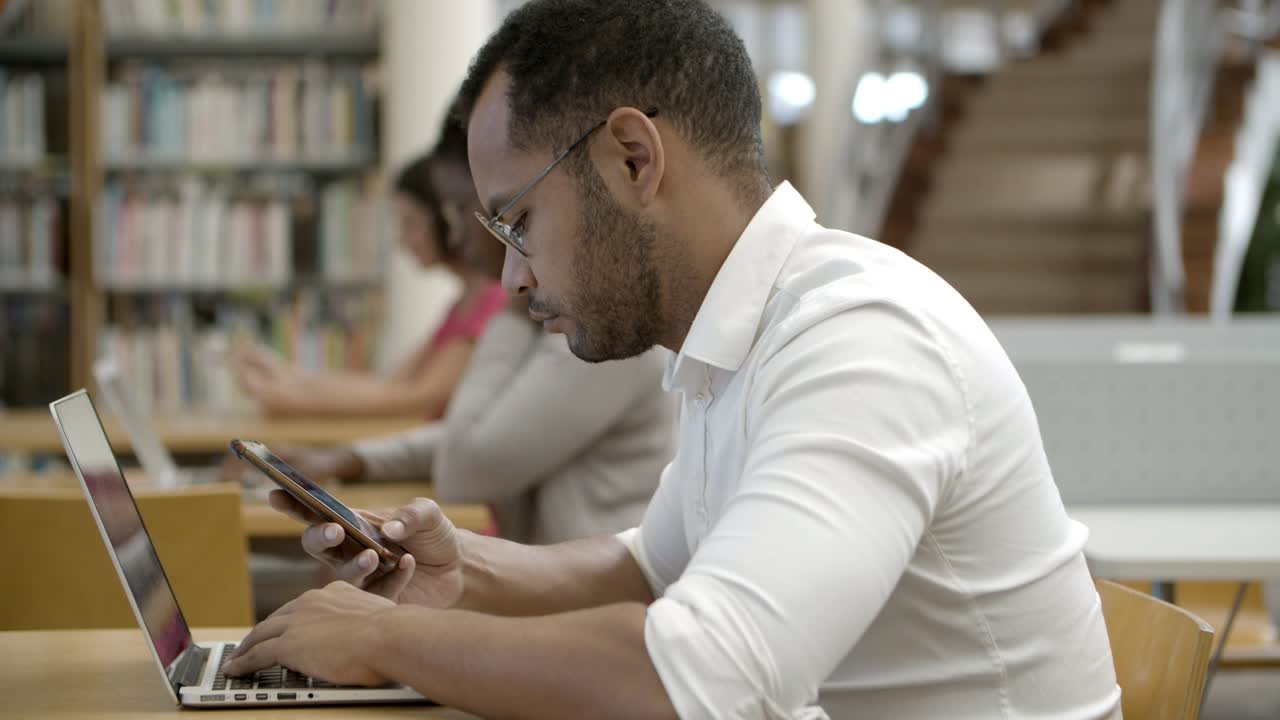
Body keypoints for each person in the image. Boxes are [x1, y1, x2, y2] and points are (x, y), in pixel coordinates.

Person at [224, 2, 1121, 718]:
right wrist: (460, 574)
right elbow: (647, 570)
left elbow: (704, 678)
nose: (511, 273)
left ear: (632, 158)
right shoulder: (735, 333)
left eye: (518, 220)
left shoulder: (862, 337)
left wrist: (383, 639)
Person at [234, 119, 508, 419]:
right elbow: (392, 383)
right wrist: (287, 379)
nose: (402, 241)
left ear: (444, 220)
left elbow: (418, 397)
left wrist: (291, 397)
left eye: (410, 224)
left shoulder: (492, 301)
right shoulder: (463, 304)